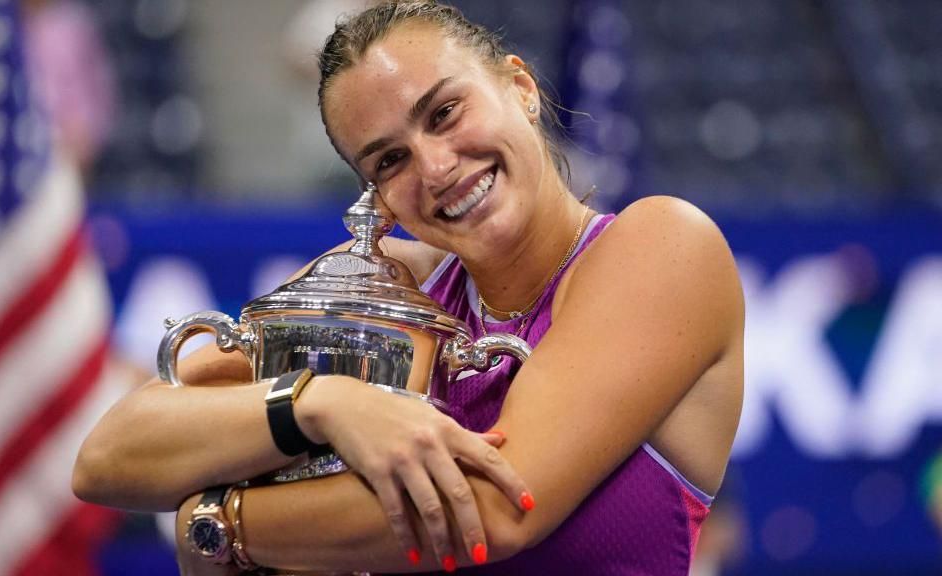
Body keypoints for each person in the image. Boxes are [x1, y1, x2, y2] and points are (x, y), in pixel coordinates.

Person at [73, 2, 744, 574]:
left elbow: (496, 511)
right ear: (376, 198)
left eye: (445, 112)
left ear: (521, 87)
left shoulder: (663, 245)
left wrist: (219, 520)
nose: (437, 166)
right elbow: (106, 456)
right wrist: (320, 402)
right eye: (389, 160)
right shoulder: (391, 287)